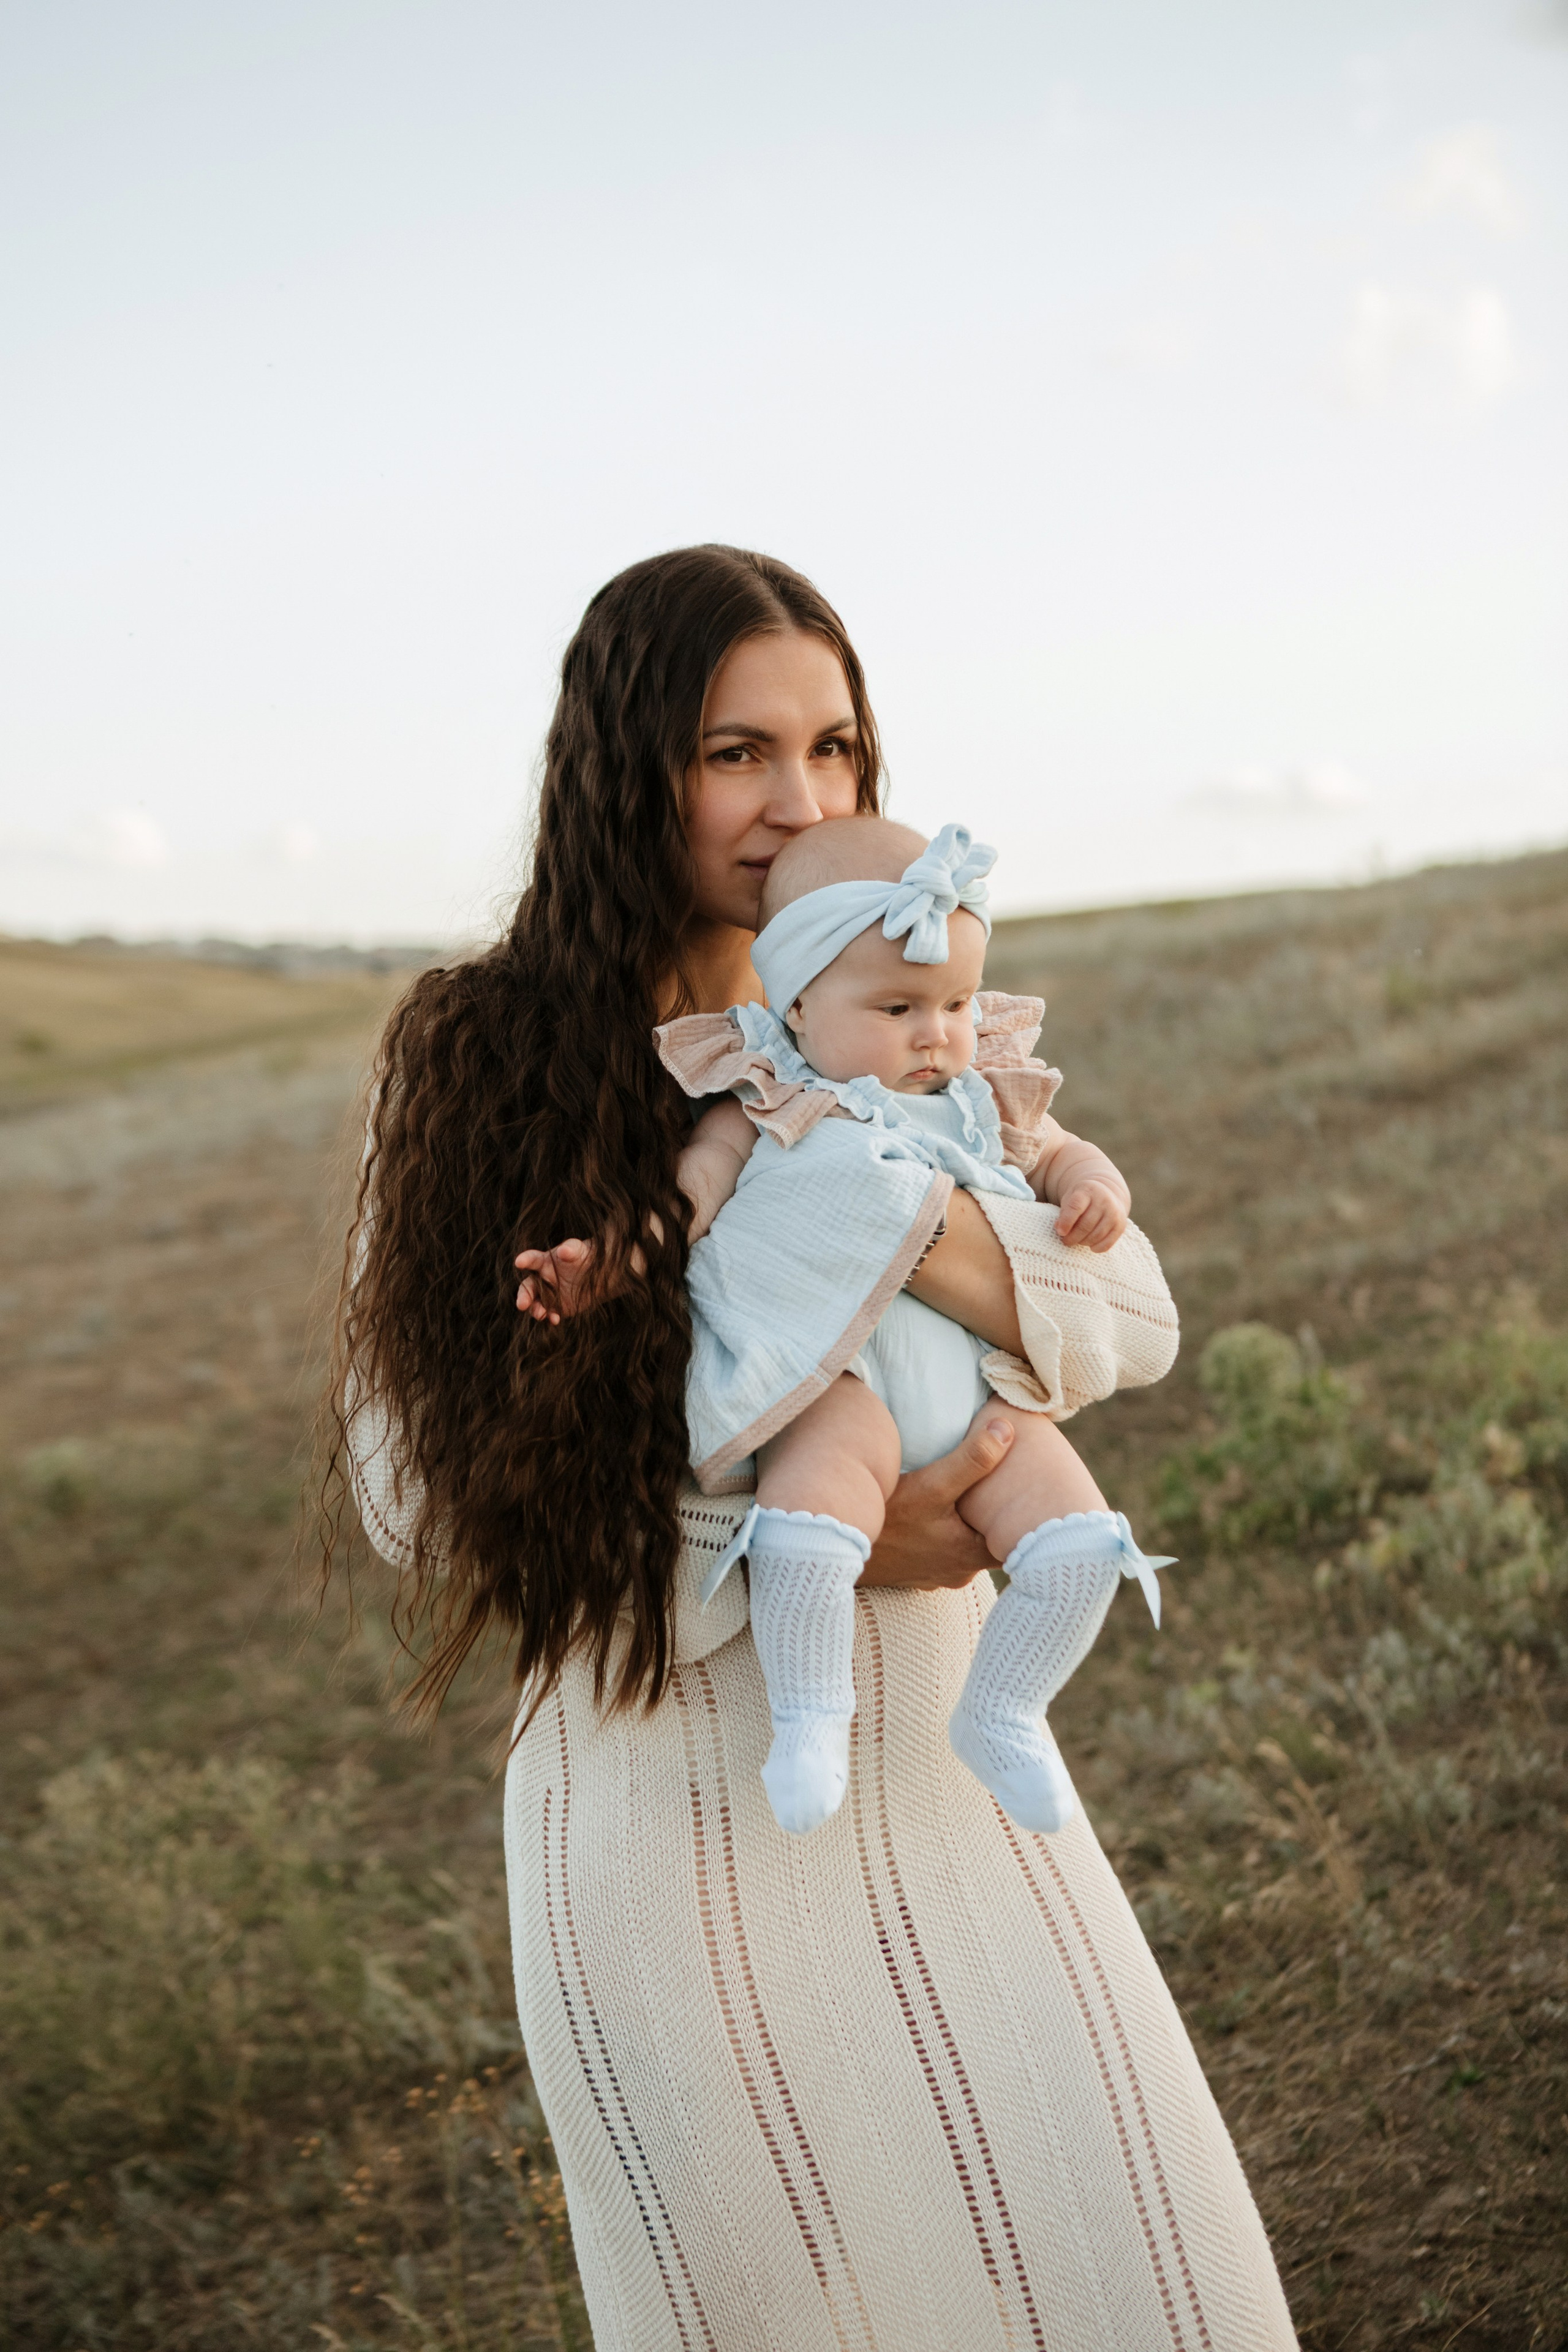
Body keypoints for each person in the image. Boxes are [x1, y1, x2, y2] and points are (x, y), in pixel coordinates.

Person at [329, 545, 1300, 2350]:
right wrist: (831, 1527)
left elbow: (1127, 1322)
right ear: (629, 767)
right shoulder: (490, 1053)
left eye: (835, 747)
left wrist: (899, 1214)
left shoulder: (911, 1008)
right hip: (667, 1802)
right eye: (734, 754)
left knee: (1132, 2269)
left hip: (949, 1767)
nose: (802, 804)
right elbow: (415, 1496)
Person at [516, 812, 1179, 1840]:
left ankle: (1005, 1710)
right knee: (811, 1526)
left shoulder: (981, 1096)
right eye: (900, 1005)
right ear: (797, 1004)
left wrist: (1097, 1187)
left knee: (1081, 1545)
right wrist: (604, 1264)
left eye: (957, 1003)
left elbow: (1061, 1155)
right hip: (843, 1378)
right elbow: (687, 1200)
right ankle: (811, 1717)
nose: (937, 1034)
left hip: (979, 1399)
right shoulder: (771, 1094)